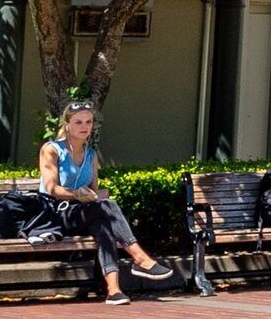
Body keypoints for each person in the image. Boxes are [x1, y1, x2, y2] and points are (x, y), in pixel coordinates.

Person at [38, 101, 178, 303]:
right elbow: (52, 189)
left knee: (103, 224)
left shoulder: (91, 155)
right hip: (55, 212)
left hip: (82, 212)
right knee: (108, 207)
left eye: (88, 122)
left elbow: (94, 192)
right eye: (78, 122)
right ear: (67, 124)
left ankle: (113, 290)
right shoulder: (51, 150)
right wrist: (78, 194)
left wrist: (97, 194)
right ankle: (139, 258)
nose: (84, 126)